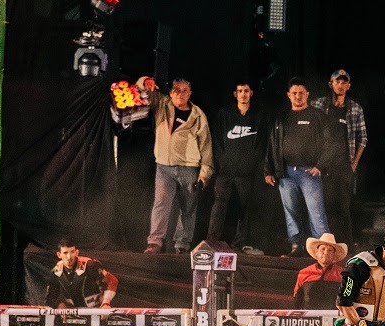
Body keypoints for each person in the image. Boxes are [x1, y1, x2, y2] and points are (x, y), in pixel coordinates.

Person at [135, 76, 214, 255]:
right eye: (176, 90)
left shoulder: (197, 115)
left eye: (184, 90)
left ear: (190, 93)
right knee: (161, 204)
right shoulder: (162, 105)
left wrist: (205, 172)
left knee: (188, 208)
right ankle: (155, 242)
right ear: (170, 93)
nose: (180, 94)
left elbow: (206, 145)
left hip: (189, 167)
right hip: (164, 166)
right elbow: (143, 90)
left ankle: (182, 244)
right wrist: (145, 81)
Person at [265, 77, 330, 257]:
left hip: (309, 172)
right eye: (294, 93)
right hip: (286, 172)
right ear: (288, 95)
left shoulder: (317, 116)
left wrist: (321, 165)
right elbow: (272, 144)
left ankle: (322, 249)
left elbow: (331, 143)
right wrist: (268, 169)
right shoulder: (282, 118)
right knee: (290, 211)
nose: (298, 96)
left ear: (307, 94)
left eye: (301, 93)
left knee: (316, 212)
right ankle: (296, 245)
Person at [208, 79, 266, 256]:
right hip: (225, 171)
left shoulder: (258, 116)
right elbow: (217, 142)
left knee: (244, 208)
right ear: (235, 94)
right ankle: (211, 242)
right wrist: (222, 162)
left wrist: (251, 165)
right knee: (219, 206)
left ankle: (239, 244)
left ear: (251, 93)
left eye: (246, 91)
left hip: (246, 173)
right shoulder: (225, 114)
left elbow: (261, 144)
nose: (243, 94)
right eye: (240, 91)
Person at [311, 69, 368, 243]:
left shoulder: (355, 108)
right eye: (337, 82)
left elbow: (363, 138)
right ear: (331, 84)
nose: (341, 85)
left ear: (348, 86)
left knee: (342, 208)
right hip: (322, 165)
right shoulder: (319, 105)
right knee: (322, 208)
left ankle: (346, 248)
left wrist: (354, 164)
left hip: (344, 165)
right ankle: (324, 246)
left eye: (344, 82)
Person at [43, 239, 118, 309]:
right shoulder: (56, 271)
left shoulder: (90, 265)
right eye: (65, 253)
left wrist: (106, 303)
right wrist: (59, 304)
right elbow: (50, 298)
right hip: (73, 314)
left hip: (98, 310)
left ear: (77, 252)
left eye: (72, 252)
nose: (69, 257)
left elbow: (112, 280)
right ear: (59, 254)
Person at [292, 232, 348, 296]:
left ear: (334, 255)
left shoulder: (343, 275)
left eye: (330, 250)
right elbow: (297, 298)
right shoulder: (304, 273)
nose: (326, 253)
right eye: (323, 249)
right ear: (316, 252)